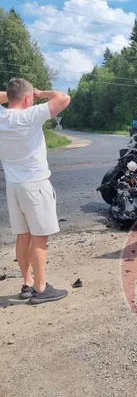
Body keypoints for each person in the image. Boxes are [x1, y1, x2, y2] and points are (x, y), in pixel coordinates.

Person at [0, 78, 71, 305]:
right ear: (28, 98)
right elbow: (64, 98)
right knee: (39, 237)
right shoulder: (30, 115)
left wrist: (14, 95)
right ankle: (41, 289)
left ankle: (28, 283)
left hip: (14, 186)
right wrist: (41, 93)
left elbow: (10, 98)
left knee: (23, 236)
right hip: (35, 185)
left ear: (10, 96)